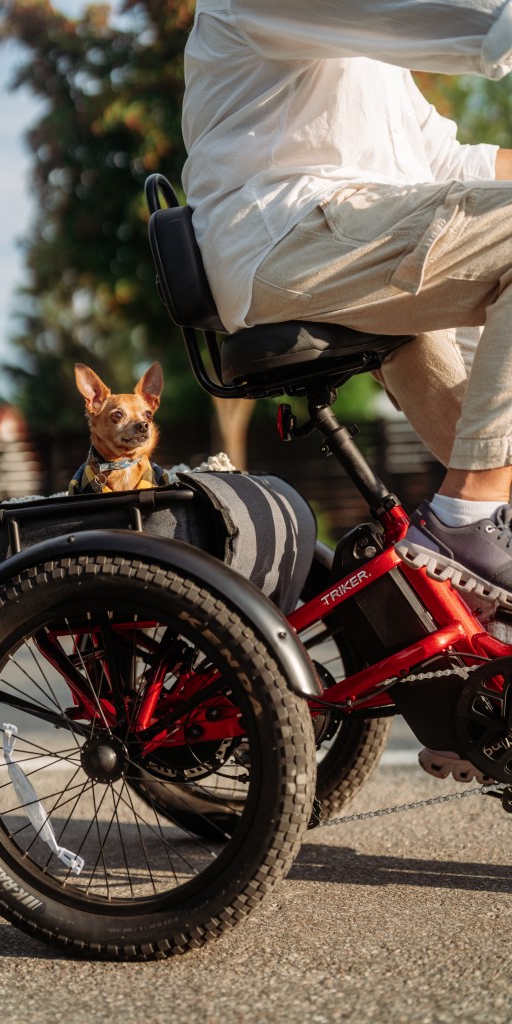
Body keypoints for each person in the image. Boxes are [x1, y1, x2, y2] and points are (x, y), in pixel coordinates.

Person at [181, 0, 512, 783]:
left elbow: (454, 164)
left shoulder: (372, 52)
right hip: (286, 240)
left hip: (360, 241)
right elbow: (474, 23)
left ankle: (465, 695)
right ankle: (463, 517)